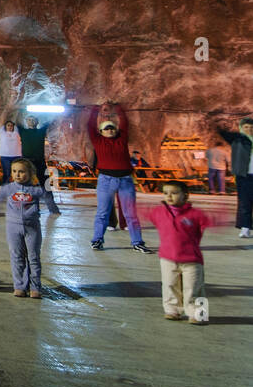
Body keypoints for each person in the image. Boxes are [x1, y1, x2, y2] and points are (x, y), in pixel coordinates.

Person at [145, 181, 214, 324]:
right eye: (165, 193)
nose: (169, 196)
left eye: (174, 193)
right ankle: (172, 310)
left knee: (194, 288)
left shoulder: (195, 214)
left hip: (192, 260)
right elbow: (144, 214)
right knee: (169, 285)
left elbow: (209, 223)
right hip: (167, 258)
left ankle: (198, 314)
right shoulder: (159, 212)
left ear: (185, 196)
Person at [86, 102, 150, 253]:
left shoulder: (121, 140)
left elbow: (124, 123)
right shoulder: (98, 141)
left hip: (125, 180)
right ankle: (97, 240)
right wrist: (95, 110)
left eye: (112, 128)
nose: (109, 130)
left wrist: (119, 109)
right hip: (106, 179)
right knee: (103, 212)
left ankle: (137, 242)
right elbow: (90, 126)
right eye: (106, 129)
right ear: (101, 132)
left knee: (131, 214)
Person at [0, 157, 58, 299]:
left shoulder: (36, 190)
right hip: (13, 227)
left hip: (32, 227)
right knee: (17, 256)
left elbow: (48, 197)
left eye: (22, 172)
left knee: (33, 257)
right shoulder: (8, 188)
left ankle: (35, 287)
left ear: (30, 173)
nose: (17, 174)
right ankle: (19, 286)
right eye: (14, 171)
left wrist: (54, 209)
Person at [209, 115, 253, 236]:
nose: (249, 129)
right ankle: (245, 227)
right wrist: (218, 121)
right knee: (244, 202)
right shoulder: (237, 139)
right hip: (244, 176)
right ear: (241, 128)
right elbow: (223, 132)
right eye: (246, 127)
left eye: (251, 127)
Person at [17, 114, 53, 188]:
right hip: (27, 159)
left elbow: (50, 120)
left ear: (37, 122)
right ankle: (26, 195)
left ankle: (47, 196)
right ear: (26, 121)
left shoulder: (41, 131)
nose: (31, 121)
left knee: (44, 180)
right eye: (29, 120)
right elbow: (16, 121)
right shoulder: (23, 131)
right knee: (25, 179)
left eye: (33, 120)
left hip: (39, 159)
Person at [0, 117, 22, 184]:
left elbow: (16, 122)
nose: (10, 127)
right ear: (5, 126)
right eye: (8, 125)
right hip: (5, 156)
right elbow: (1, 122)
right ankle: (5, 187)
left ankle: (18, 187)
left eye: (11, 125)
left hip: (16, 156)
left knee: (17, 173)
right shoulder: (2, 132)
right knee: (7, 173)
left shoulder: (16, 132)